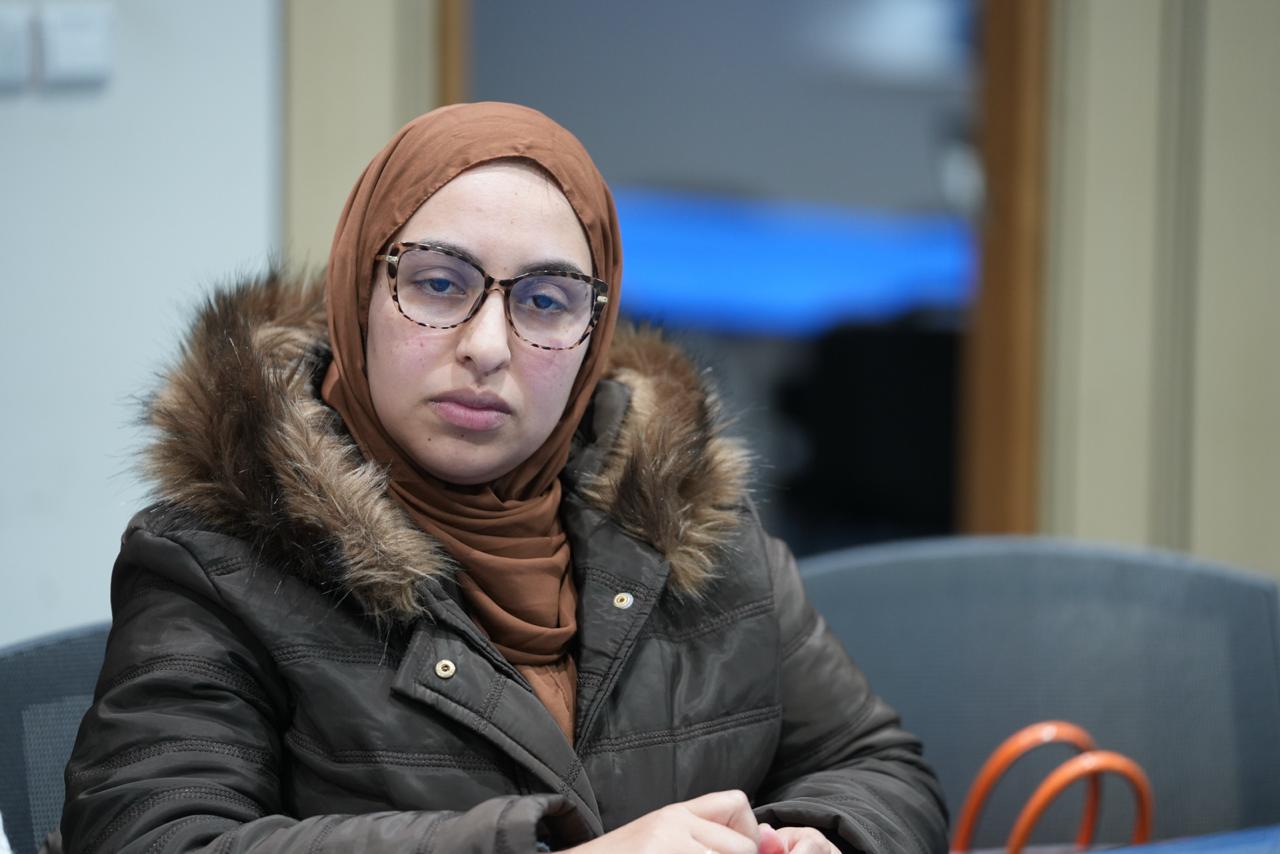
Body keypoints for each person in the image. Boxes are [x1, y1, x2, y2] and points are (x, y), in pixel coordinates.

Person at [59, 102, 947, 854]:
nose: (487, 347)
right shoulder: (217, 557)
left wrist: (813, 836)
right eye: (439, 284)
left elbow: (878, 766)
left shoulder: (685, 516)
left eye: (546, 301)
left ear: (593, 333)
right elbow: (156, 838)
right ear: (358, 291)